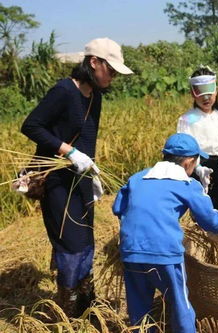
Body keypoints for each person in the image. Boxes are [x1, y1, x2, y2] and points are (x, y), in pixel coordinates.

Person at [21, 37, 133, 316]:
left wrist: (91, 169)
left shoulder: (94, 96)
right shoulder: (63, 91)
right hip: (57, 178)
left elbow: (88, 137)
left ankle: (86, 299)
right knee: (71, 243)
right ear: (94, 63)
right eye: (111, 70)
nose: (114, 76)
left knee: (86, 240)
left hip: (80, 177)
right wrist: (68, 151)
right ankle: (68, 309)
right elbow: (31, 125)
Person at [112, 133, 218, 333]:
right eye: (196, 162)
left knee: (139, 308)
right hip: (164, 253)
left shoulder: (138, 177)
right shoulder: (187, 185)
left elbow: (118, 208)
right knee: (179, 304)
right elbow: (211, 223)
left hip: (131, 249)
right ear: (188, 162)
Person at [177, 66, 218, 214]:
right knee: (204, 214)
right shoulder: (187, 119)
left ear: (216, 91)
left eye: (209, 93)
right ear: (192, 93)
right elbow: (185, 148)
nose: (206, 98)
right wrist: (197, 168)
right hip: (200, 169)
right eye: (200, 93)